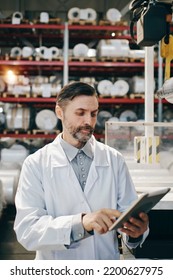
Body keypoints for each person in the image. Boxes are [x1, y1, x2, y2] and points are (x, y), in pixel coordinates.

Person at [14, 81, 149, 260]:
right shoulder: (36, 164)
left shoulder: (113, 159)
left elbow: (127, 214)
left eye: (93, 114)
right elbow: (27, 230)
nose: (89, 122)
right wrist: (81, 224)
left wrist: (136, 233)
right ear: (59, 112)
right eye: (80, 113)